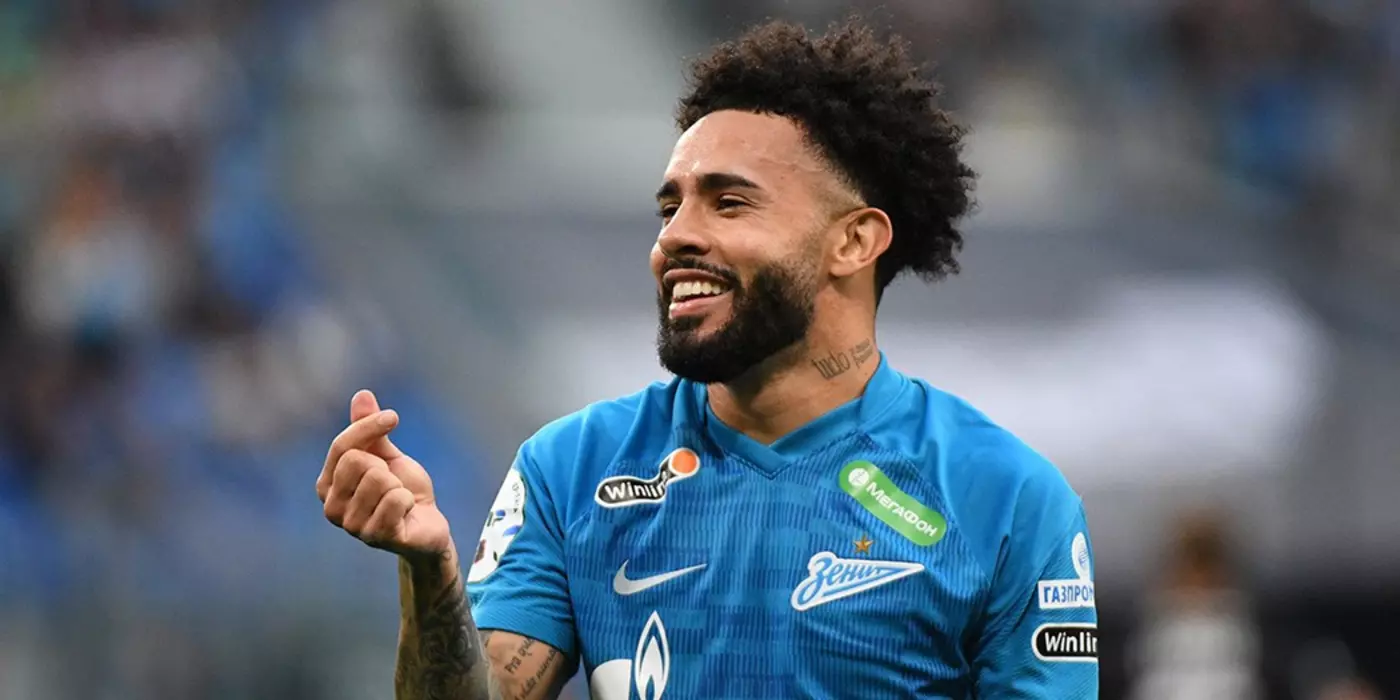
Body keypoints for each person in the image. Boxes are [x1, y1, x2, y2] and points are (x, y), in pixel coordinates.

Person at [317, 16, 1098, 700]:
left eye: (729, 202)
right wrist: (429, 570)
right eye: (671, 206)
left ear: (854, 241)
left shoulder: (1005, 500)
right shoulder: (571, 469)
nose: (675, 238)